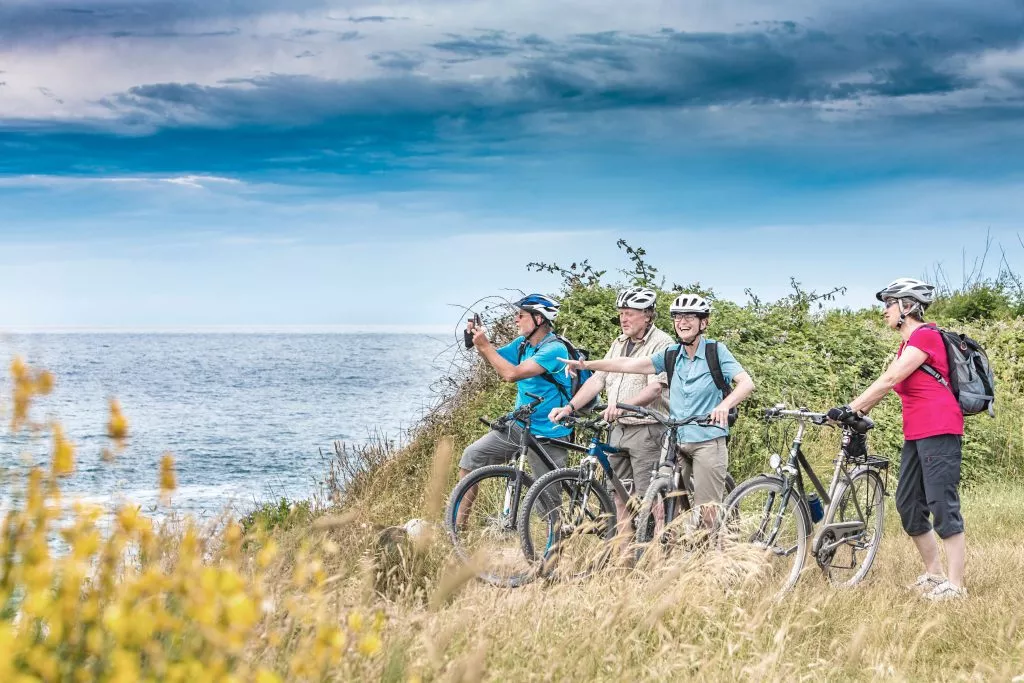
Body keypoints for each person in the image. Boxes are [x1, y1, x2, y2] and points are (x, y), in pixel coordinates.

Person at [560, 293, 754, 525]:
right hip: (677, 440)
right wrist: (586, 365)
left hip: (708, 440)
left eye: (690, 317)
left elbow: (746, 383)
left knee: (707, 513)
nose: (683, 322)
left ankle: (715, 554)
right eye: (678, 317)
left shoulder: (715, 351)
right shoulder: (671, 355)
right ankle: (675, 552)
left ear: (704, 322)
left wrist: (724, 405)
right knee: (671, 503)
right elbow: (629, 364)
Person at [828, 277, 967, 601]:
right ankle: (934, 575)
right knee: (907, 504)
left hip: (940, 430)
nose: (883, 311)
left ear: (907, 306)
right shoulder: (907, 344)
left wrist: (852, 407)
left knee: (942, 505)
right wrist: (854, 413)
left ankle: (956, 586)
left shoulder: (926, 337)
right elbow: (885, 382)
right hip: (916, 434)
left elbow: (891, 379)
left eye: (888, 304)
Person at [549, 286, 674, 540]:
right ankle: (623, 560)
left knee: (651, 499)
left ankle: (659, 556)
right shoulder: (618, 343)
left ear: (648, 315)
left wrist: (623, 405)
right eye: (621, 313)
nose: (623, 319)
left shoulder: (662, 343)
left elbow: (655, 388)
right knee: (619, 496)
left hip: (647, 429)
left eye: (629, 313)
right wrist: (570, 407)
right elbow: (598, 380)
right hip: (617, 429)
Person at [456, 293, 571, 525]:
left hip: (549, 433)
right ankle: (458, 528)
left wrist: (485, 346)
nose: (516, 320)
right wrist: (478, 341)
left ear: (539, 319)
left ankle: (553, 555)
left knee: (548, 506)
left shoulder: (555, 350)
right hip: (520, 426)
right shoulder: (522, 345)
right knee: (471, 458)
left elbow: (511, 374)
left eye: (521, 315)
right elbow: (497, 358)